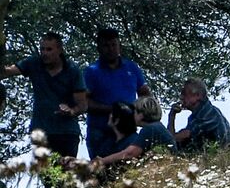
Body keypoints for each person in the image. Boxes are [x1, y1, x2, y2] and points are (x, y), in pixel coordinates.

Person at [1, 33, 88, 159]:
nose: (44, 53)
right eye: (42, 49)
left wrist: (71, 111)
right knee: (46, 175)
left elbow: (83, 105)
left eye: (49, 49)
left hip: (66, 133)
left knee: (66, 174)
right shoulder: (33, 63)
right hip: (40, 131)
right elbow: (6, 72)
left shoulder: (72, 70)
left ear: (59, 50)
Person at [84, 28, 151, 159]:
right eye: (106, 46)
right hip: (100, 131)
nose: (110, 49)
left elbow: (145, 93)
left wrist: (144, 113)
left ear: (119, 45)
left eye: (114, 45)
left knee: (131, 167)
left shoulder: (131, 67)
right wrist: (113, 109)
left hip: (127, 129)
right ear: (99, 48)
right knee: (100, 170)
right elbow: (84, 102)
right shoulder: (91, 72)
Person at [170, 78, 230, 153]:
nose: (181, 97)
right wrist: (172, 115)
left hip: (214, 160)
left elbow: (172, 140)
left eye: (184, 93)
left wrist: (171, 117)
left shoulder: (207, 113)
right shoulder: (202, 113)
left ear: (198, 96)